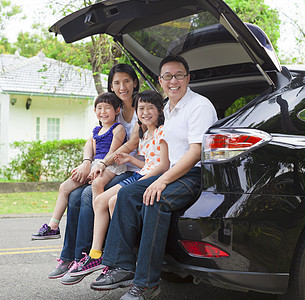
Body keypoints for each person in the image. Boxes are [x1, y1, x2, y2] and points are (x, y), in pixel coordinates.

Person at [89, 55, 218, 299]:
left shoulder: (199, 106)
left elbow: (195, 152)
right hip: (172, 171)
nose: (173, 80)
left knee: (155, 200)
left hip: (194, 174)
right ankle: (121, 266)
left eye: (178, 75)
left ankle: (147, 284)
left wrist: (163, 180)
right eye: (167, 76)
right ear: (160, 81)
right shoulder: (167, 108)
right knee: (126, 194)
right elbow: (166, 154)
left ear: (187, 78)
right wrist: (156, 175)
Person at [46, 64, 144, 285]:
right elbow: (94, 139)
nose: (122, 86)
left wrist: (102, 162)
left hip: (131, 168)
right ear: (111, 86)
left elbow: (132, 143)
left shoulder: (142, 107)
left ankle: (88, 256)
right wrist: (87, 163)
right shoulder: (110, 108)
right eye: (117, 82)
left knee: (90, 194)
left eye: (127, 81)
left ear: (135, 82)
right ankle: (69, 256)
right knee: (74, 195)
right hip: (108, 166)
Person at [66, 90, 170, 279]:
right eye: (141, 108)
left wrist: (144, 176)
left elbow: (163, 165)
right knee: (100, 202)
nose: (145, 112)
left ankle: (120, 255)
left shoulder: (163, 132)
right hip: (141, 173)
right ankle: (96, 254)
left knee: (114, 201)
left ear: (161, 111)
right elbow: (148, 163)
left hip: (148, 178)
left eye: (150, 108)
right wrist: (130, 158)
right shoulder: (144, 135)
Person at [31, 92, 127, 240]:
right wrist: (87, 166)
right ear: (95, 111)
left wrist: (98, 167)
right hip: (95, 164)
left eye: (107, 108)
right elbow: (93, 152)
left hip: (111, 165)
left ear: (117, 110)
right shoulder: (96, 130)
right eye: (99, 108)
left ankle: (99, 228)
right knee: (65, 187)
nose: (103, 112)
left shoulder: (118, 128)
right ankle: (53, 226)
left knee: (97, 183)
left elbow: (113, 153)